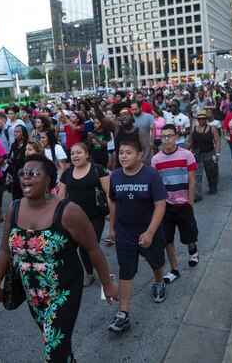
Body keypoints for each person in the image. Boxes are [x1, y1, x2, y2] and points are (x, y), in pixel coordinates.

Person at [0, 154, 118, 361]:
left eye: (33, 173)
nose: (25, 177)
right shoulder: (13, 208)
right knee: (59, 345)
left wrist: (108, 285)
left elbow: (93, 249)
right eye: (23, 173)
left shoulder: (68, 211)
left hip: (63, 291)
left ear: (48, 180)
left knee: (53, 351)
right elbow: (5, 250)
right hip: (32, 293)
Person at [107, 139, 168, 333]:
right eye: (121, 152)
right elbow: (114, 203)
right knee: (126, 269)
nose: (123, 156)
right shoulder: (115, 176)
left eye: (128, 153)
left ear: (140, 155)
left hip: (150, 229)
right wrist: (113, 228)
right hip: (125, 232)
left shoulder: (151, 174)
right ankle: (123, 314)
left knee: (156, 261)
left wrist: (150, 232)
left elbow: (161, 205)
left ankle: (159, 282)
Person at [151, 124, 199, 286]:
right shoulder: (156, 159)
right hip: (166, 206)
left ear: (176, 137)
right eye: (163, 136)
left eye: (169, 136)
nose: (166, 139)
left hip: (184, 203)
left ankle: (192, 249)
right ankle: (174, 270)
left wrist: (190, 201)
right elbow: (156, 184)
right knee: (167, 239)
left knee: (188, 236)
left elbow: (192, 179)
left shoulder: (187, 155)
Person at [59, 142, 110, 287]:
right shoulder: (67, 173)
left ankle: (103, 275)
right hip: (75, 219)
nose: (75, 156)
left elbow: (109, 193)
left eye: (79, 152)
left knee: (91, 245)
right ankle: (89, 273)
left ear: (87, 154)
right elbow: (62, 196)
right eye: (72, 153)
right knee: (82, 246)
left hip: (95, 216)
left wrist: (111, 214)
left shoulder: (97, 169)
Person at [186, 110, 221, 198]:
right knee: (197, 175)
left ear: (206, 119)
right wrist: (185, 153)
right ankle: (197, 195)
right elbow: (190, 142)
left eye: (203, 118)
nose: (201, 120)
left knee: (211, 173)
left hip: (209, 153)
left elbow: (217, 142)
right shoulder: (194, 129)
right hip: (196, 154)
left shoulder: (212, 128)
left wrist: (217, 154)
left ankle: (213, 187)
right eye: (199, 119)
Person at [6, 125, 29, 200]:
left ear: (23, 134)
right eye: (15, 132)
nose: (15, 133)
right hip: (15, 177)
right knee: (16, 199)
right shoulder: (13, 145)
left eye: (18, 132)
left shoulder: (27, 146)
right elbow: (9, 159)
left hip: (26, 176)